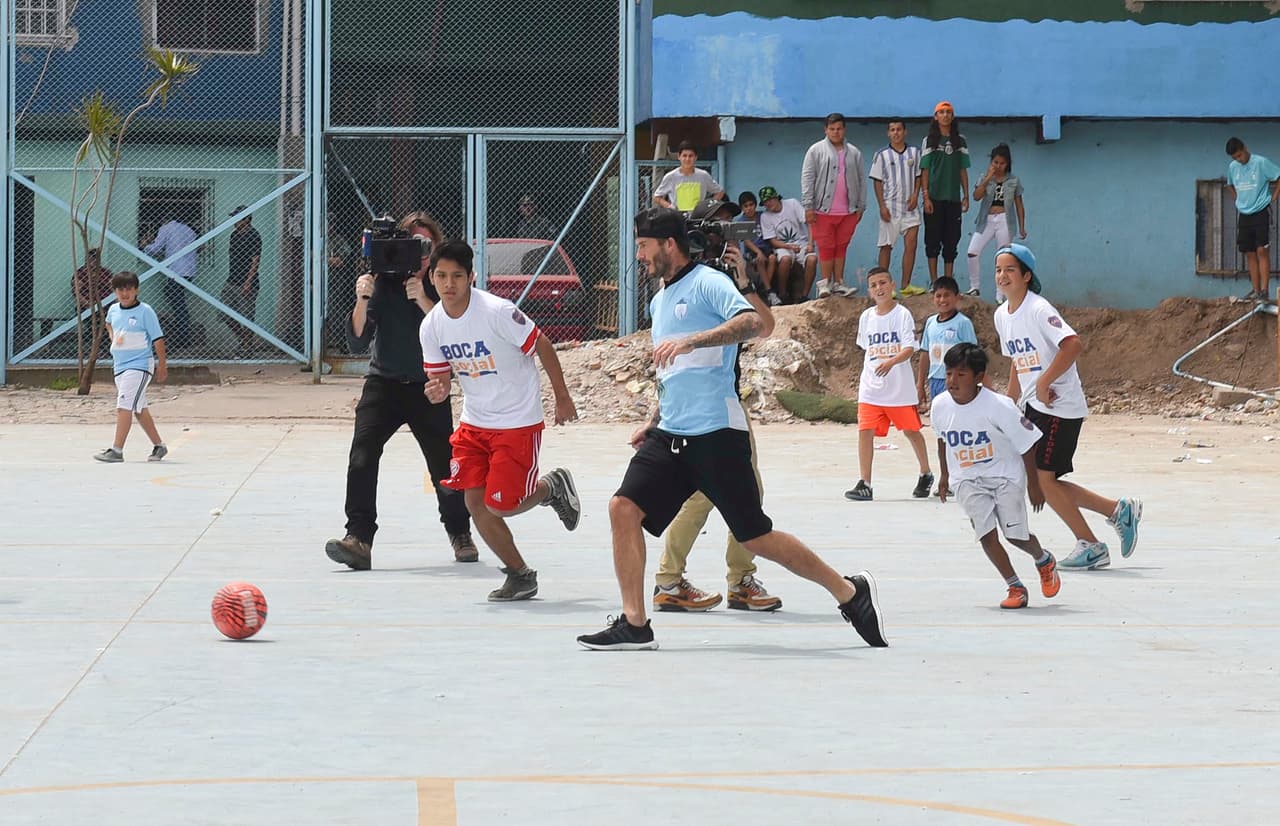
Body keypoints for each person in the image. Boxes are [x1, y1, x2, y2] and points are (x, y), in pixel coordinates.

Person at [577, 207, 887, 650]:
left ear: (669, 245)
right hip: (671, 434)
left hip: (717, 434)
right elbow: (671, 371)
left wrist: (693, 339)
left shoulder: (708, 282)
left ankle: (849, 592)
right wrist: (654, 419)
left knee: (755, 537)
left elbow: (753, 323)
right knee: (622, 508)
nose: (639, 256)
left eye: (644, 247)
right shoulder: (660, 300)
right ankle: (635, 623)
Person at [419, 240, 581, 601]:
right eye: (441, 276)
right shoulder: (431, 326)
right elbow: (441, 378)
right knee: (474, 504)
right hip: (474, 423)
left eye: (457, 276)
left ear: (471, 277)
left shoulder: (496, 311)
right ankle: (520, 575)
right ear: (431, 277)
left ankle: (551, 487)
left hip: (517, 421)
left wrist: (562, 395)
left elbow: (540, 343)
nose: (449, 284)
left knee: (502, 504)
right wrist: (438, 391)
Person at [324, 211, 476, 571]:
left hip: (429, 387)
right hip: (384, 384)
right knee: (361, 457)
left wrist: (424, 301)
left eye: (426, 246)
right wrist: (363, 297)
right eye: (413, 245)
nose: (420, 255)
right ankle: (358, 539)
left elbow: (457, 333)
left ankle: (460, 533)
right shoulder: (384, 284)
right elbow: (358, 341)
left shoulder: (445, 288)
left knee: (445, 465)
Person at [652, 213, 782, 613]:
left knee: (726, 494)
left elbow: (763, 324)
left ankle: (685, 579)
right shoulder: (684, 288)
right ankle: (711, 579)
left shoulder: (719, 284)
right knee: (721, 496)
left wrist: (745, 278)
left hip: (723, 403)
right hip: (709, 412)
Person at [993, 243, 1143, 570]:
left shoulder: (1038, 308)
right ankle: (1116, 510)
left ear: (1027, 276)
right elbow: (1018, 363)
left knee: (1044, 481)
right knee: (1043, 481)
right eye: (998, 269)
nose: (1002, 276)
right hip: (1034, 407)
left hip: (1060, 408)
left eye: (1010, 270)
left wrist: (1045, 382)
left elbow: (1073, 344)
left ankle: (1091, 545)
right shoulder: (1002, 315)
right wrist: (1009, 404)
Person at [932, 343, 1061, 609]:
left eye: (961, 374)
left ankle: (1043, 559)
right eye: (948, 374)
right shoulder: (940, 405)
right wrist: (944, 475)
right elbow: (942, 439)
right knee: (986, 535)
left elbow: (1027, 444)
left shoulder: (1000, 406)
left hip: (1005, 476)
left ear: (979, 378)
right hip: (966, 478)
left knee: (1015, 535)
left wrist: (1034, 486)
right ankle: (1015, 586)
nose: (952, 381)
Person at [845, 267, 934, 502]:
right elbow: (867, 349)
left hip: (898, 389)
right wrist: (878, 366)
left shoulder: (902, 314)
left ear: (892, 285)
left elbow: (909, 348)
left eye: (883, 283)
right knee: (865, 431)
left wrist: (891, 362)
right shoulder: (866, 317)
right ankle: (865, 483)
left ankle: (926, 472)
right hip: (871, 387)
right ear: (870, 290)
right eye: (874, 285)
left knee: (911, 431)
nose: (879, 288)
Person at [93, 272, 168, 463]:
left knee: (124, 404)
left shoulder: (145, 311)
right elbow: (109, 324)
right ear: (115, 291)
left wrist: (162, 365)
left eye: (129, 289)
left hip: (140, 365)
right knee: (139, 408)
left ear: (136, 290)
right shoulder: (113, 310)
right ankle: (159, 446)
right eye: (120, 289)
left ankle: (117, 450)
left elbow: (158, 339)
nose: (125, 293)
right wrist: (113, 338)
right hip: (120, 366)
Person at [801, 112, 865, 298]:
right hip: (822, 210)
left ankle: (839, 283)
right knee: (826, 246)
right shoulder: (815, 150)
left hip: (848, 210)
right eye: (832, 129)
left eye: (839, 129)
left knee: (841, 246)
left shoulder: (854, 152)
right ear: (826, 130)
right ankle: (824, 283)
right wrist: (808, 206)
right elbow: (807, 178)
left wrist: (861, 206)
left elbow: (861, 179)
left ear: (844, 129)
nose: (836, 132)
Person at [869, 119, 925, 296]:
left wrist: (916, 194)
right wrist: (881, 206)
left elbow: (919, 175)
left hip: (910, 206)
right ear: (888, 133)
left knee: (911, 244)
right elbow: (877, 182)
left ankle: (905, 285)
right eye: (892, 130)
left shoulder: (915, 152)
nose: (896, 133)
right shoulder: (881, 155)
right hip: (890, 207)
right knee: (886, 246)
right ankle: (884, 288)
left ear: (905, 131)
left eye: (899, 129)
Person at [916, 275, 985, 411]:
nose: (942, 300)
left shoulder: (963, 323)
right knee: (940, 420)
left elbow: (974, 356)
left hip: (956, 381)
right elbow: (925, 353)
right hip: (934, 380)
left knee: (957, 416)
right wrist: (920, 385)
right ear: (933, 298)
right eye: (938, 296)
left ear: (957, 297)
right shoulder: (930, 322)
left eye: (947, 295)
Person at [966, 144, 1026, 299]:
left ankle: (1000, 294)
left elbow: (1019, 204)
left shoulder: (1013, 180)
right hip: (986, 220)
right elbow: (976, 196)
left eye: (1002, 163)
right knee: (972, 252)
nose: (998, 166)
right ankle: (974, 286)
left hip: (1005, 220)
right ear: (991, 162)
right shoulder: (984, 177)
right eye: (995, 162)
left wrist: (1022, 227)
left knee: (1003, 258)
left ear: (1007, 164)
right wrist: (987, 178)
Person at [920, 101, 970, 287]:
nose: (945, 115)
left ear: (953, 116)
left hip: (953, 199)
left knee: (951, 241)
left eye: (949, 112)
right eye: (941, 112)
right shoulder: (929, 140)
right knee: (932, 241)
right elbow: (924, 170)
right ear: (935, 116)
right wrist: (925, 197)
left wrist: (965, 195)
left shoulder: (960, 141)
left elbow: (963, 170)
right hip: (933, 198)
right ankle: (935, 282)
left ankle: (948, 281)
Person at [1225, 137, 1280, 302]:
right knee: (1249, 253)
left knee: (1261, 250)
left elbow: (1278, 176)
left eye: (1240, 155)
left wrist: (1274, 197)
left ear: (1245, 148)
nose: (1238, 160)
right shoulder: (1233, 167)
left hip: (1261, 212)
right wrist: (1237, 200)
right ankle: (1255, 290)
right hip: (1244, 214)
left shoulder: (1261, 162)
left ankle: (1264, 291)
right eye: (1235, 158)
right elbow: (1229, 185)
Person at [142, 216, 198, 349]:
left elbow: (156, 249)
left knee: (178, 302)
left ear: (163, 219)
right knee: (177, 299)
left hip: (176, 270)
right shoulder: (189, 229)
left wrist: (144, 245)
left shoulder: (166, 228)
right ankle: (183, 334)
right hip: (189, 270)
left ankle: (183, 337)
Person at [757, 185, 818, 303]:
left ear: (776, 198)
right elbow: (773, 241)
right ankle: (782, 293)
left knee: (812, 259)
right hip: (783, 246)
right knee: (785, 259)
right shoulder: (765, 216)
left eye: (770, 200)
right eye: (765, 202)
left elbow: (809, 223)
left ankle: (804, 295)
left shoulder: (792, 204)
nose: (768, 204)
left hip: (802, 243)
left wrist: (811, 244)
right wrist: (788, 246)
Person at [222, 206, 261, 356]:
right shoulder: (234, 235)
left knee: (247, 317)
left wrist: (248, 282)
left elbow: (255, 261)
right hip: (232, 280)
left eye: (237, 218)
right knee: (225, 314)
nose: (234, 221)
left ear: (246, 219)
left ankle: (247, 348)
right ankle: (245, 342)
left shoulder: (254, 236)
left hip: (246, 282)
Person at [653, 141, 725, 212]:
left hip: (698, 217)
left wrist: (708, 207)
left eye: (690, 156)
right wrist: (670, 207)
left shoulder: (703, 175)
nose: (687, 159)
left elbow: (720, 192)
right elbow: (657, 197)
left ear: (696, 157)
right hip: (677, 218)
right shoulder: (670, 177)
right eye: (684, 155)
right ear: (679, 157)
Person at [736, 191, 778, 306]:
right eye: (746, 206)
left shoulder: (762, 216)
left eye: (751, 205)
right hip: (752, 251)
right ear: (742, 208)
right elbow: (746, 241)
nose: (749, 208)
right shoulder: (740, 222)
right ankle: (769, 291)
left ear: (755, 205)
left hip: (767, 248)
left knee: (773, 258)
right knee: (759, 260)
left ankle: (765, 290)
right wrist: (758, 252)